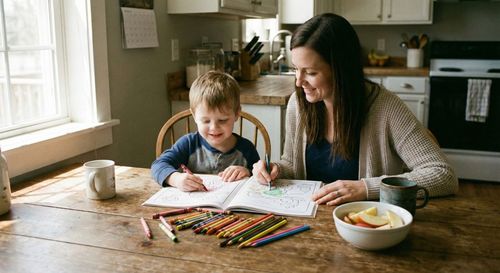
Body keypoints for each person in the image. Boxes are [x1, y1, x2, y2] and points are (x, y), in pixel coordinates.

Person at [252, 13, 458, 206]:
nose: (298, 82)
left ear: (341, 70)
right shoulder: (298, 105)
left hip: (365, 225)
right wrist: (276, 170)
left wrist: (365, 188)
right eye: (296, 69)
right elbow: (292, 163)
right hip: (309, 222)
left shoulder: (386, 107)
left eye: (311, 72)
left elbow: (443, 174)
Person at [152, 71, 260, 191]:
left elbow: (261, 177)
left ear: (236, 114)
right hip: (192, 206)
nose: (214, 127)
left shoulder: (247, 149)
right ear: (194, 116)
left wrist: (248, 172)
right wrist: (175, 179)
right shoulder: (188, 144)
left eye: (222, 120)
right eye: (206, 121)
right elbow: (158, 165)